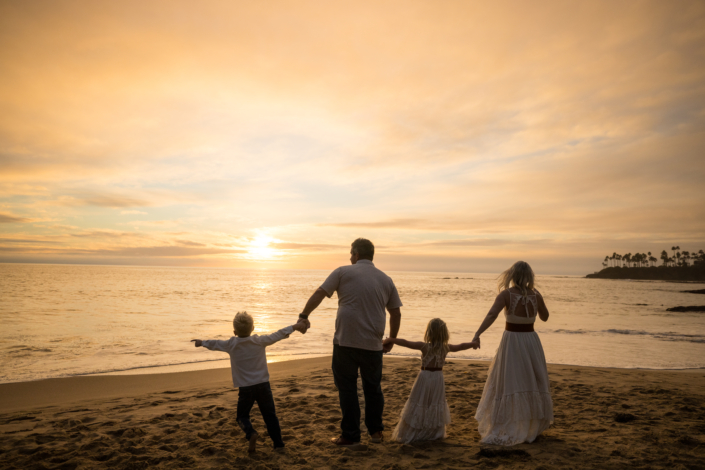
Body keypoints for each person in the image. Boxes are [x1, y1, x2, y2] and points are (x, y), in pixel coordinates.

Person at [297, 238, 402, 447]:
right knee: (373, 389)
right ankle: (375, 432)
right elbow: (395, 312)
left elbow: (320, 293)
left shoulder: (342, 272)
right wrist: (391, 338)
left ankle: (351, 435)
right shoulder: (385, 279)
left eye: (350, 253)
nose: (349, 257)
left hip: (345, 343)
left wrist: (304, 315)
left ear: (355, 253)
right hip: (373, 345)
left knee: (347, 390)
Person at [191, 311, 310, 453]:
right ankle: (279, 445)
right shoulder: (259, 341)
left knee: (241, 416)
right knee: (270, 416)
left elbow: (215, 344)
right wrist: (295, 327)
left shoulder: (231, 344)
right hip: (263, 386)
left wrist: (201, 342)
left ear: (234, 331)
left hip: (245, 389)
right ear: (253, 328)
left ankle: (251, 433)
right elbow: (278, 334)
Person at [472, 261, 553, 446]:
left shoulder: (506, 295)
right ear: (529, 277)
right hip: (531, 340)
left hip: (513, 341)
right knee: (530, 380)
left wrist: (477, 334)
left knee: (510, 381)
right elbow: (545, 317)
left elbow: (492, 315)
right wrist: (537, 301)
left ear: (512, 275)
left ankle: (512, 424)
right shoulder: (536, 294)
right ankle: (529, 425)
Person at [383, 318, 479, 443]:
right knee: (434, 402)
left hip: (424, 377)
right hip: (438, 378)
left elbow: (406, 342)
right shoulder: (446, 348)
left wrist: (391, 339)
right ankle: (433, 431)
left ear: (429, 332)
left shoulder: (424, 346)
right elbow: (460, 346)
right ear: (445, 333)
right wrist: (473, 344)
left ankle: (416, 429)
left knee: (421, 401)